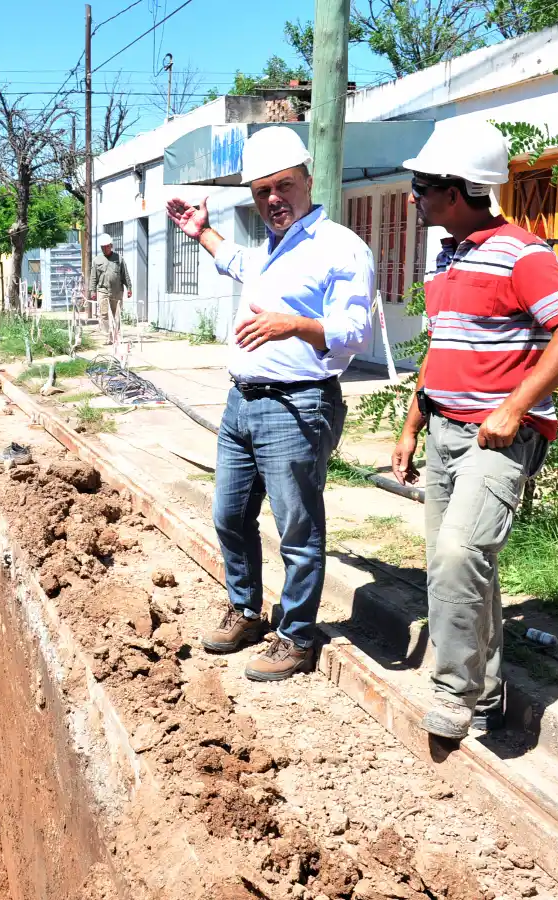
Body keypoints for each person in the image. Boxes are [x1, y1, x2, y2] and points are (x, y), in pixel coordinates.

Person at [391, 120, 558, 739]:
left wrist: (514, 407)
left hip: (498, 437)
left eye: (422, 186)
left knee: (459, 554)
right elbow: (442, 349)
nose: (414, 197)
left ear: (456, 191)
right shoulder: (447, 257)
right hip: (445, 432)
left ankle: (453, 692)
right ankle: (486, 694)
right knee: (453, 564)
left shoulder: (522, 254)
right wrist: (410, 425)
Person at [165, 126, 374, 682]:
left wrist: (296, 325)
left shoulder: (340, 247)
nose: (273, 199)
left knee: (297, 531)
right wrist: (200, 231)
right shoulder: (270, 249)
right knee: (230, 515)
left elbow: (355, 332)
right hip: (243, 404)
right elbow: (235, 260)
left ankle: (297, 637)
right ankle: (245, 610)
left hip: (298, 406)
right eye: (262, 192)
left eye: (283, 186)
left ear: (309, 180)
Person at [90, 233, 132, 334]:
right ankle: (107, 334)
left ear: (111, 246)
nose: (105, 249)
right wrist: (92, 291)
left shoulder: (119, 259)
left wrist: (129, 288)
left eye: (107, 246)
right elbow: (93, 277)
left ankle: (116, 335)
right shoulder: (96, 260)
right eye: (103, 247)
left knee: (116, 313)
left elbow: (125, 275)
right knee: (104, 313)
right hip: (102, 290)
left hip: (117, 291)